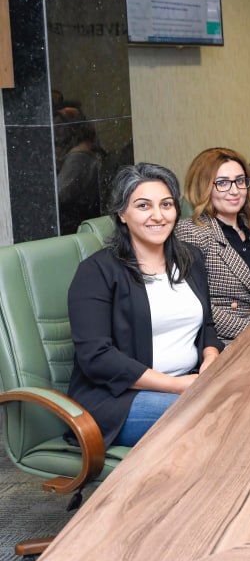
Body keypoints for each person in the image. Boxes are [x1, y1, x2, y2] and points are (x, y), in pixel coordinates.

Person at [67, 164, 222, 448]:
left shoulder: (191, 259)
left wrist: (210, 359)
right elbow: (97, 357)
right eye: (143, 206)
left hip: (190, 383)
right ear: (121, 214)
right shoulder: (96, 272)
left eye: (166, 204)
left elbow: (207, 326)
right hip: (118, 400)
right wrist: (176, 386)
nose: (158, 215)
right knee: (214, 418)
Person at [175, 148, 250, 342]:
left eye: (240, 181)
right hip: (222, 340)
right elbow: (196, 303)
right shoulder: (192, 231)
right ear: (203, 187)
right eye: (222, 183)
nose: (235, 190)